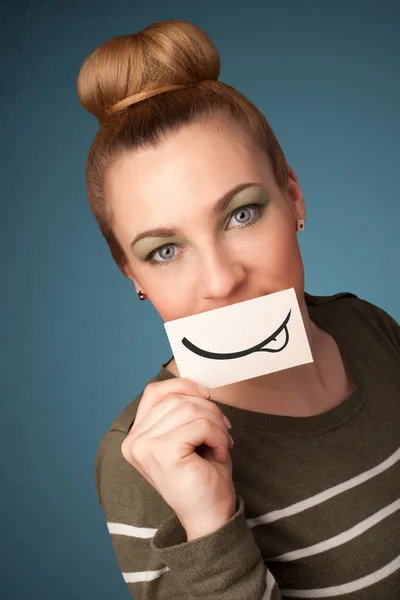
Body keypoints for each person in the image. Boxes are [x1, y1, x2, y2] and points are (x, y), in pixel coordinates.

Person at [77, 19, 400, 600]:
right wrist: (209, 527)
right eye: (165, 250)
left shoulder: (370, 328)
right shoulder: (144, 464)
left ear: (294, 197)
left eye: (241, 215)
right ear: (132, 274)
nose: (222, 280)